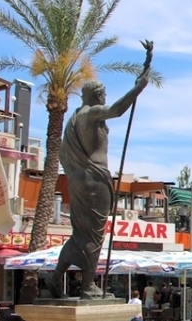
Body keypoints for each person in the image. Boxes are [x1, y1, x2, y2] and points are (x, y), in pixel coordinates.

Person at [46, 41, 153, 300]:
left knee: (80, 232)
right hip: (93, 180)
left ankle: (56, 274)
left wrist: (145, 67)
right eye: (103, 94)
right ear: (96, 96)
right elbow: (116, 110)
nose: (104, 98)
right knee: (95, 233)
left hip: (80, 179)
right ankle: (87, 286)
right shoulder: (91, 113)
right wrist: (136, 89)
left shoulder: (73, 119)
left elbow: (62, 152)